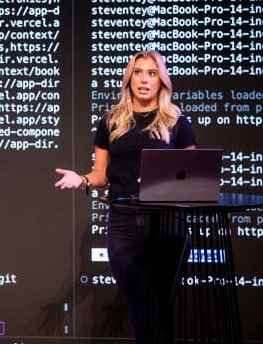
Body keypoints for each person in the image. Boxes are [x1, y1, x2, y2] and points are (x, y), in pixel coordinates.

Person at [54, 50, 196, 344]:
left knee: (163, 304)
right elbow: (101, 174)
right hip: (124, 222)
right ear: (129, 79)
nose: (144, 80)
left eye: (152, 73)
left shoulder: (176, 122)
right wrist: (81, 180)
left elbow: (192, 172)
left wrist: (163, 179)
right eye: (138, 72)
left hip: (167, 221)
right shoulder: (110, 122)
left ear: (162, 81)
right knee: (139, 303)